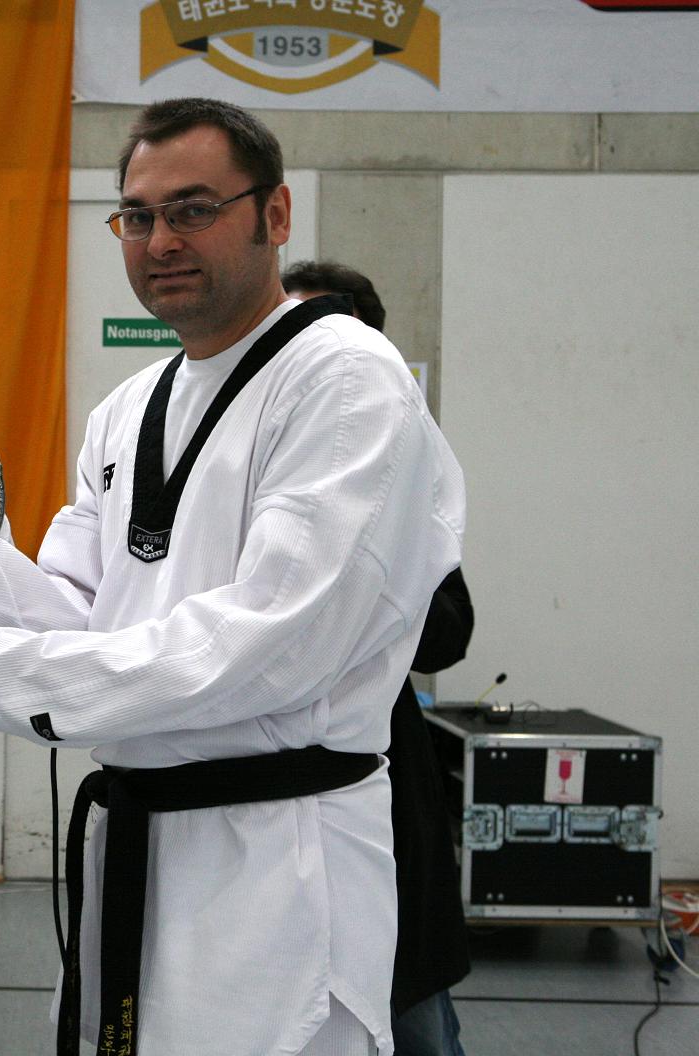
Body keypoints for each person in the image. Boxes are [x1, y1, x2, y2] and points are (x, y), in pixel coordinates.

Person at [0, 98, 465, 1055]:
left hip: (276, 862)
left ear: (274, 214)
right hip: (140, 845)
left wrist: (0, 678)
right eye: (138, 216)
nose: (161, 240)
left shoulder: (346, 379)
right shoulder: (131, 405)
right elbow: (76, 610)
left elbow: (274, 642)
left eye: (193, 209)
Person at [284, 260, 474, 1055]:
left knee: (412, 1016)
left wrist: (365, 587)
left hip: (380, 777)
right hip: (258, 802)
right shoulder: (256, 457)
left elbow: (449, 632)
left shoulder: (407, 474)